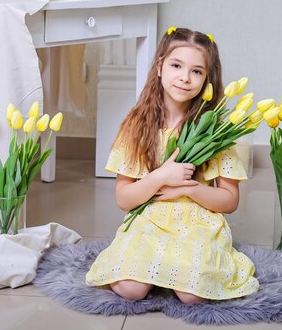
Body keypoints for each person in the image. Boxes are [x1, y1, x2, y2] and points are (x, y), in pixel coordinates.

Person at [85, 27, 259, 304]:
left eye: (197, 71)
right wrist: (161, 176)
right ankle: (157, 271)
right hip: (151, 217)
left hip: (198, 221)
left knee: (192, 295)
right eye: (176, 65)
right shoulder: (137, 125)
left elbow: (229, 200)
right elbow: (124, 198)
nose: (185, 78)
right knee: (131, 289)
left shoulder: (214, 129)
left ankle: (173, 273)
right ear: (160, 67)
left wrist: (188, 188)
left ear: (207, 79)